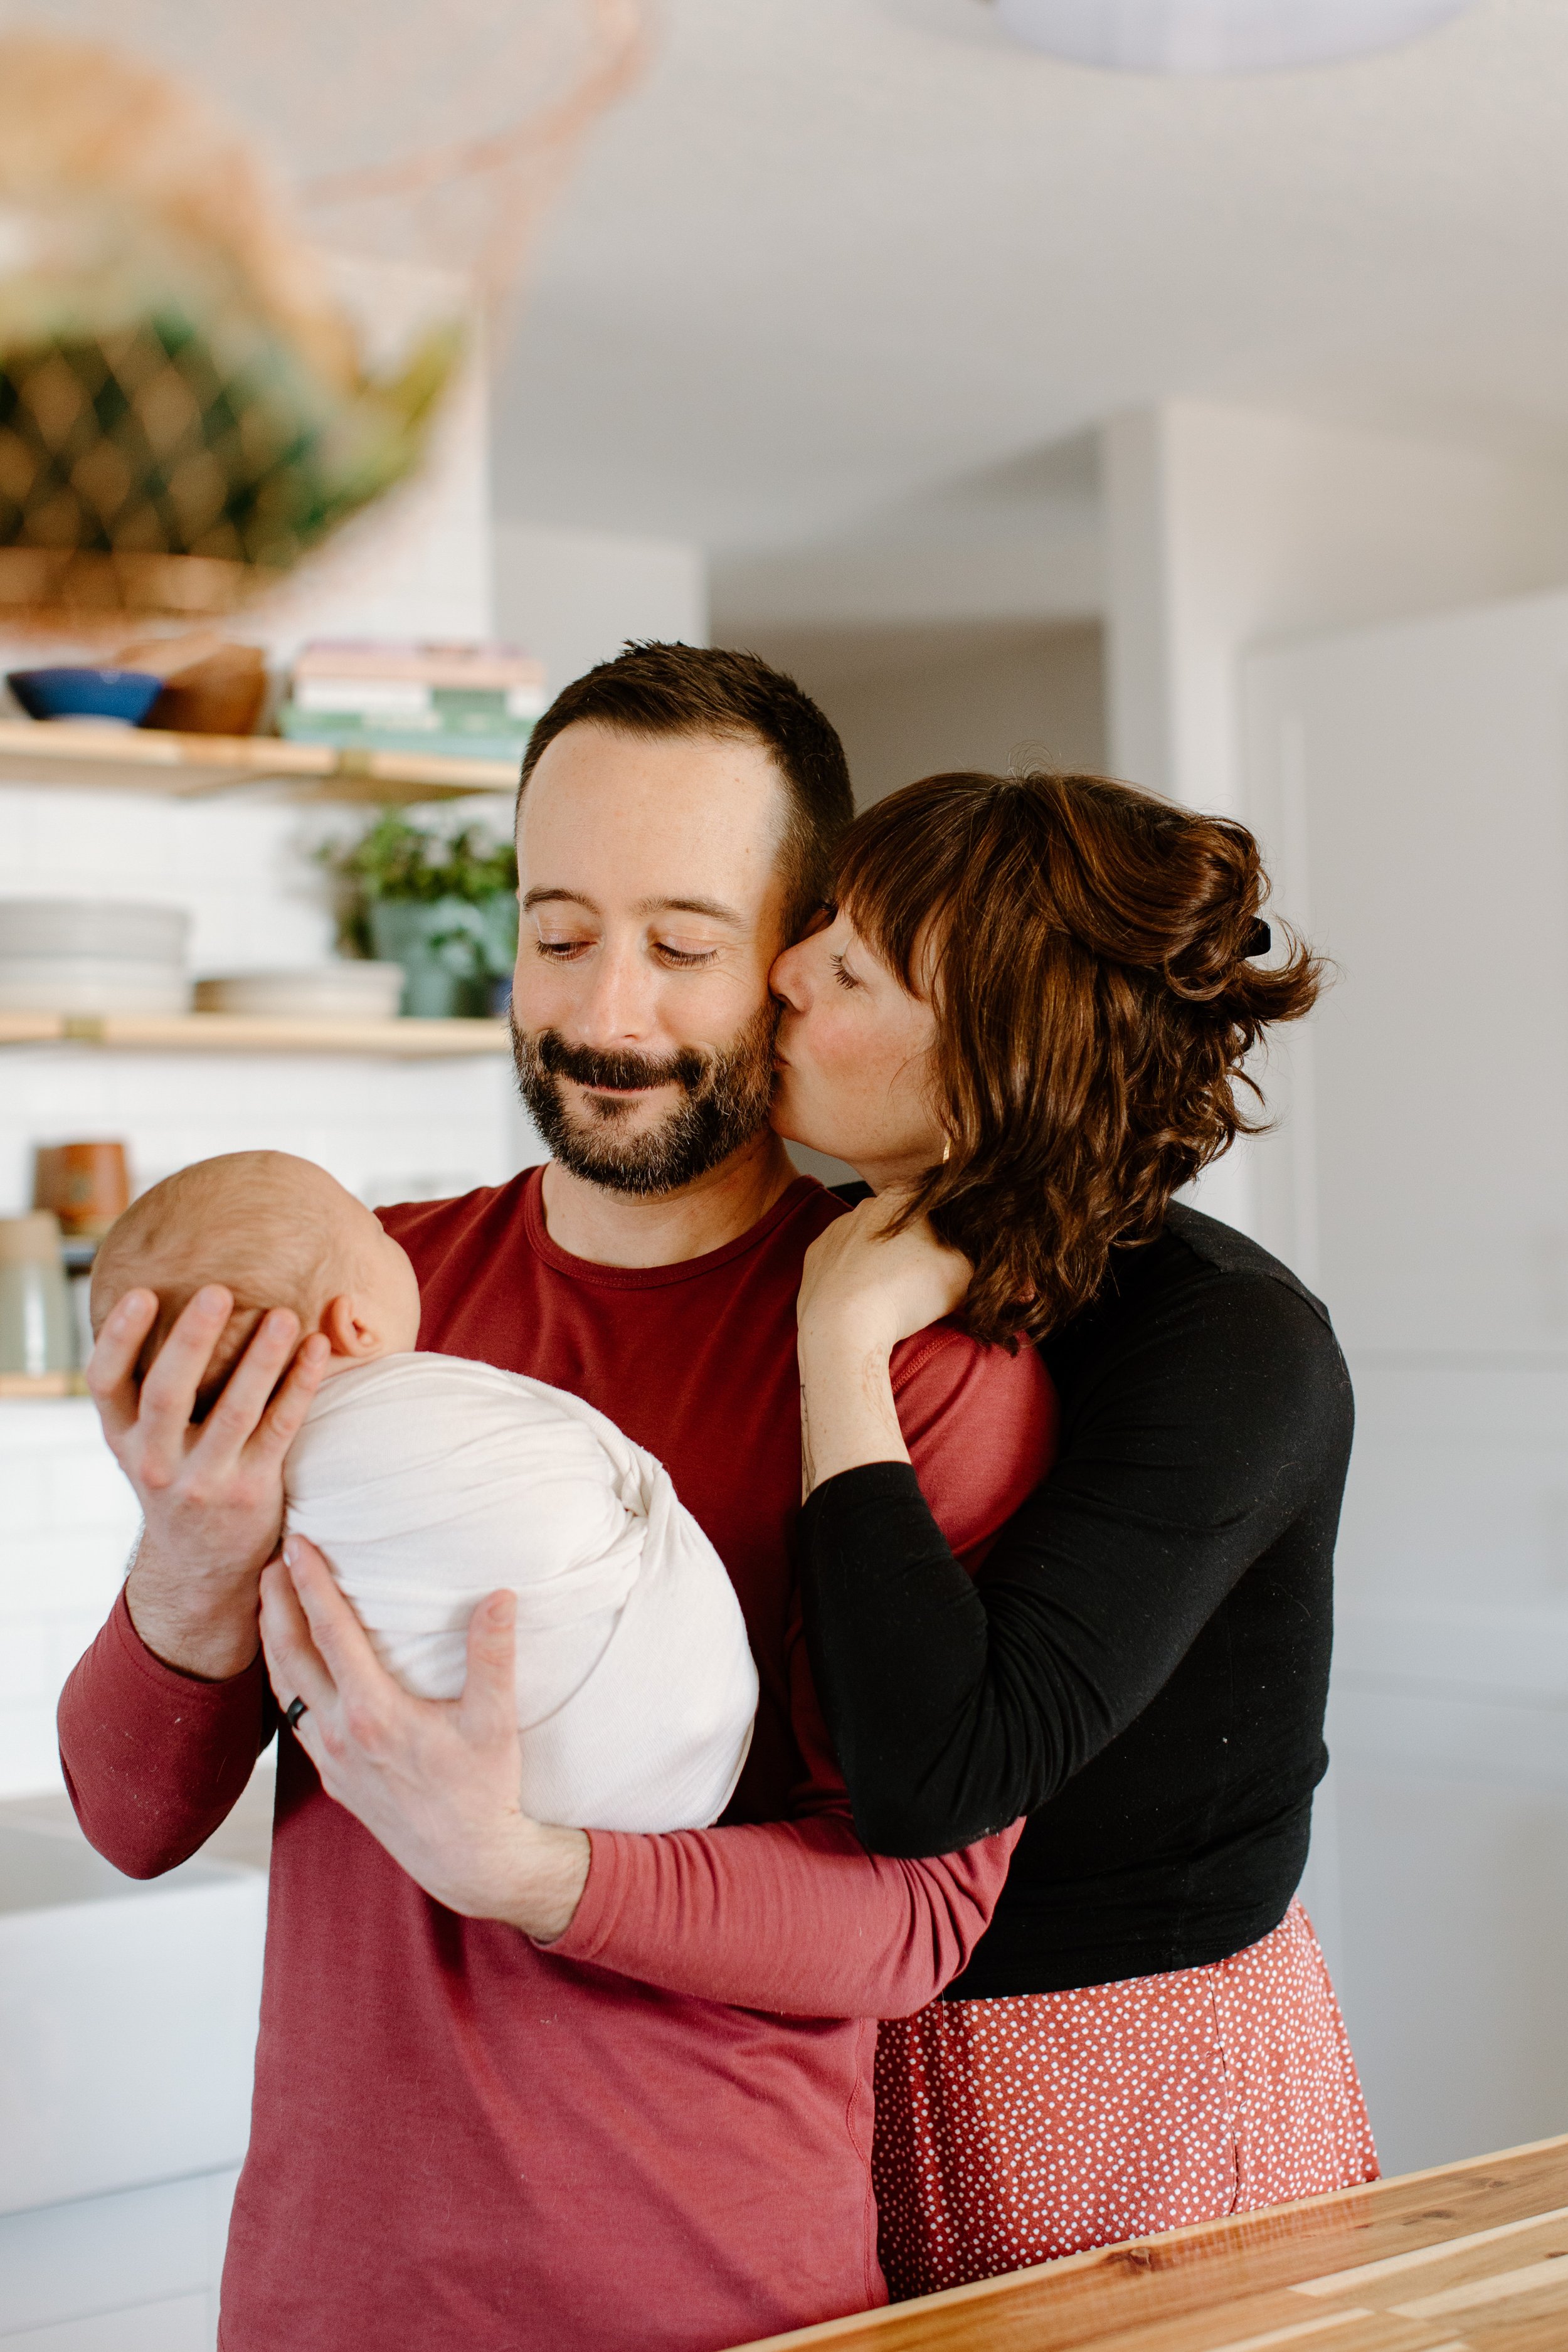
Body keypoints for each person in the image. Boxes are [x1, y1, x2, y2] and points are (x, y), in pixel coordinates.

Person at [57, 647, 1056, 2352]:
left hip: (720, 2301)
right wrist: (190, 1557)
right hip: (324, 2298)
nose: (604, 1015)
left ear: (800, 961)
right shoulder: (364, 1291)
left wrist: (521, 1865)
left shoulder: (910, 1360)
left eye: (680, 945)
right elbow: (131, 1815)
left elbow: (913, 1917)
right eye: (556, 929)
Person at [770, 767, 1377, 2299]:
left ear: (992, 1048)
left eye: (844, 963)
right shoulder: (856, 1259)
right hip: (868, 2045)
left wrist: (839, 1343)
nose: (780, 969)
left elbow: (941, 1772)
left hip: (1132, 2081)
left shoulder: (1229, 1343)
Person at [88, 1148, 760, 1832]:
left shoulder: (852, 1314)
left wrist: (521, 1877)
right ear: (354, 1326)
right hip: (655, 1765)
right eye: (377, 1235)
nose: (609, 1030)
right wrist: (192, 1563)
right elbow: (129, 1829)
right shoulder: (369, 1268)